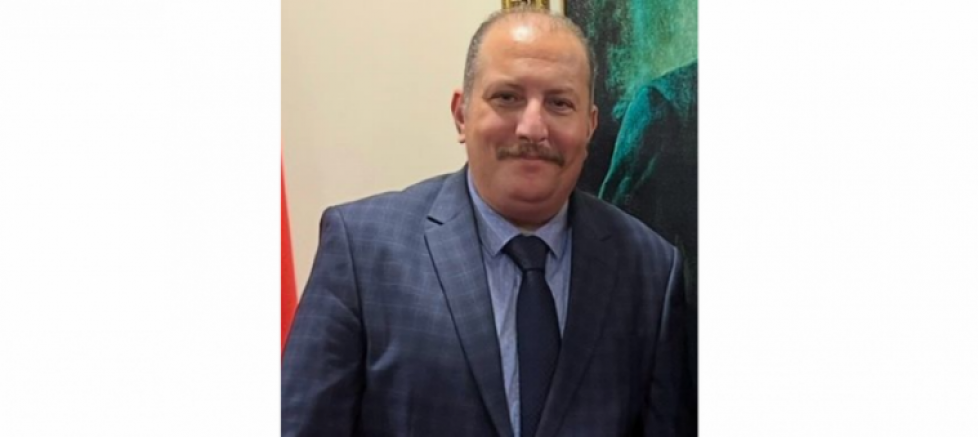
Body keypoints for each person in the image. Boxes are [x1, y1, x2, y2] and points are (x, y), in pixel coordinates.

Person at [282, 7, 693, 437]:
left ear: (589, 126)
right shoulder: (363, 251)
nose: (532, 128)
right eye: (507, 98)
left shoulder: (650, 270)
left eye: (559, 103)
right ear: (461, 114)